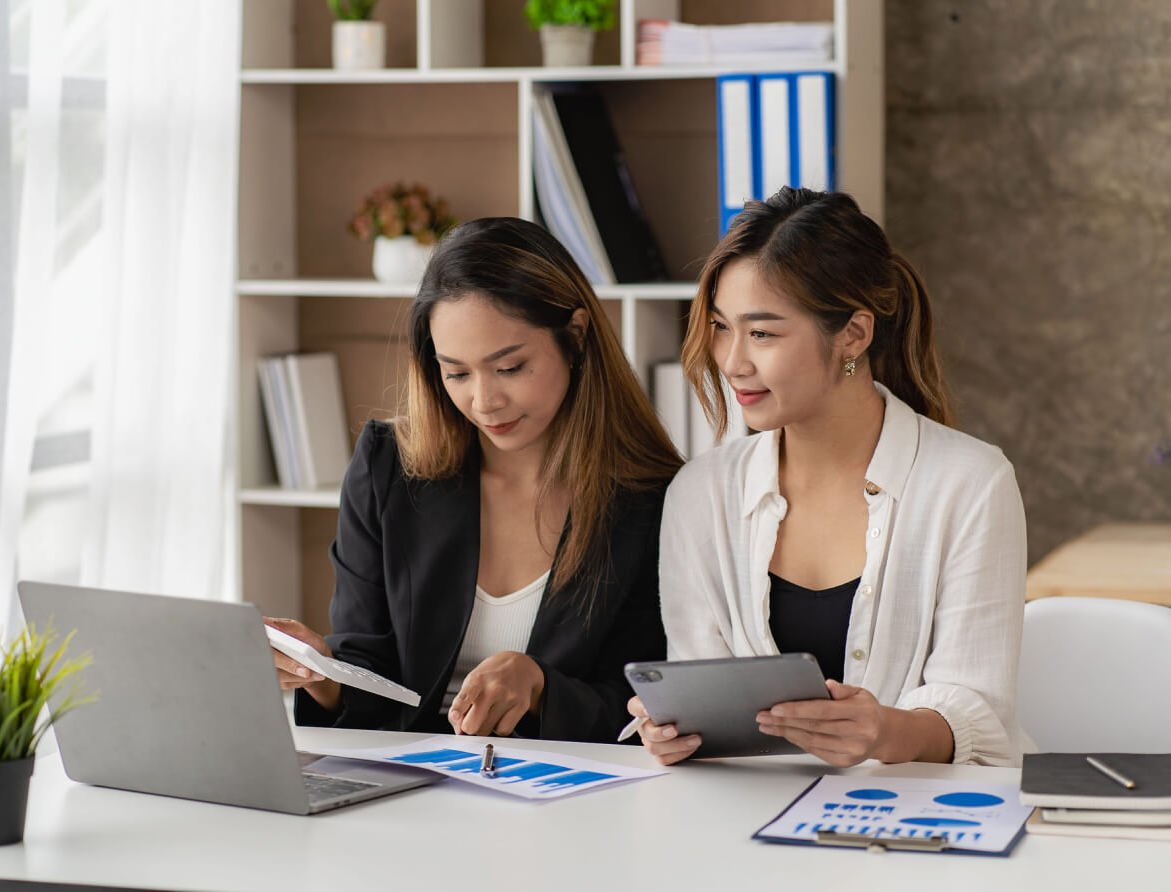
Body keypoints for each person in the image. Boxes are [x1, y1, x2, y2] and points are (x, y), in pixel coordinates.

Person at [628, 187, 1027, 767]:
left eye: (762, 333)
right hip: (748, 824)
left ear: (854, 335)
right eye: (720, 327)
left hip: (921, 826)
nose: (732, 360)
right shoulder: (701, 492)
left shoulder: (970, 483)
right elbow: (698, 691)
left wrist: (884, 732)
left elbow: (978, 715)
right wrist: (676, 730)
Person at [268, 217, 683, 743]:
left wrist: (540, 687)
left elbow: (652, 704)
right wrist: (322, 673)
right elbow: (368, 674)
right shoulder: (388, 467)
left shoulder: (654, 498)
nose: (483, 402)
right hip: (412, 789)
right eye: (457, 374)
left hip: (572, 799)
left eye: (508, 367)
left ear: (575, 338)